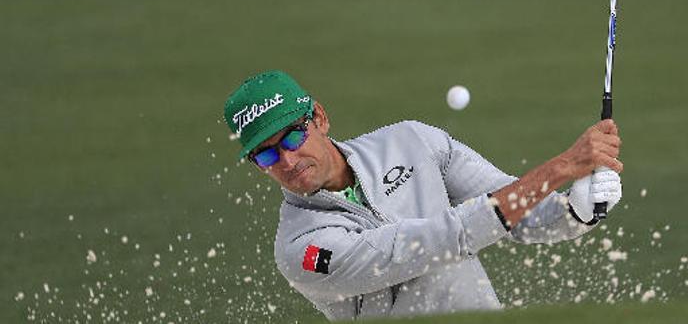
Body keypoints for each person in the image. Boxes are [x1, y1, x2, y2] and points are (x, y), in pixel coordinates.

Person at [223, 70, 623, 320]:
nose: (288, 160)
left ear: (320, 118)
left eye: (293, 135)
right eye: (267, 153)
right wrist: (561, 168)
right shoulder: (301, 247)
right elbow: (431, 244)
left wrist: (576, 210)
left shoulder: (411, 141)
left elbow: (522, 216)